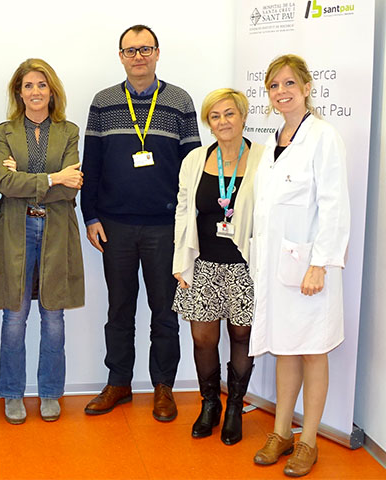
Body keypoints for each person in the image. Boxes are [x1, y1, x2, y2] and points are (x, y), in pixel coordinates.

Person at [81, 24, 200, 421]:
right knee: (119, 309)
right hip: (114, 225)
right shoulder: (103, 102)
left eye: (145, 49)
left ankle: (163, 386)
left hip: (165, 227)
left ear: (157, 53)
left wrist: (187, 225)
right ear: (120, 56)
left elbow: (193, 168)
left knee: (164, 311)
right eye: (130, 50)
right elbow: (91, 164)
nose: (138, 56)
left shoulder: (180, 101)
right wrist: (90, 216)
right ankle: (119, 382)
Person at [250, 54, 350, 477]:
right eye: (274, 86)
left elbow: (334, 204)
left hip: (310, 267)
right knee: (285, 347)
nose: (282, 92)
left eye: (289, 83)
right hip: (277, 267)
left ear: (307, 88)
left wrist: (320, 263)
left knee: (312, 350)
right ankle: (281, 432)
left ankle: (308, 440)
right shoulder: (273, 141)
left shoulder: (323, 137)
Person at [0, 58, 84, 425]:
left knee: (53, 316)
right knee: (14, 316)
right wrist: (53, 178)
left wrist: (28, 179)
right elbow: (4, 184)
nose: (35, 92)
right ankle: (12, 393)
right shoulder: (4, 132)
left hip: (56, 229)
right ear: (19, 92)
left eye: (41, 85)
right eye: (28, 85)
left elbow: (72, 188)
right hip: (16, 230)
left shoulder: (69, 131)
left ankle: (49, 392)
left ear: (52, 90)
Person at [172, 88, 264, 444]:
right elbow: (183, 211)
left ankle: (235, 407)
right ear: (208, 122)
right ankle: (210, 404)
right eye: (215, 116)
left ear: (243, 116)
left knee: (242, 336)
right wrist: (180, 261)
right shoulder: (196, 159)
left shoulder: (264, 158)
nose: (223, 121)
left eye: (229, 113)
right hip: (204, 263)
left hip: (246, 265)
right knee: (203, 337)